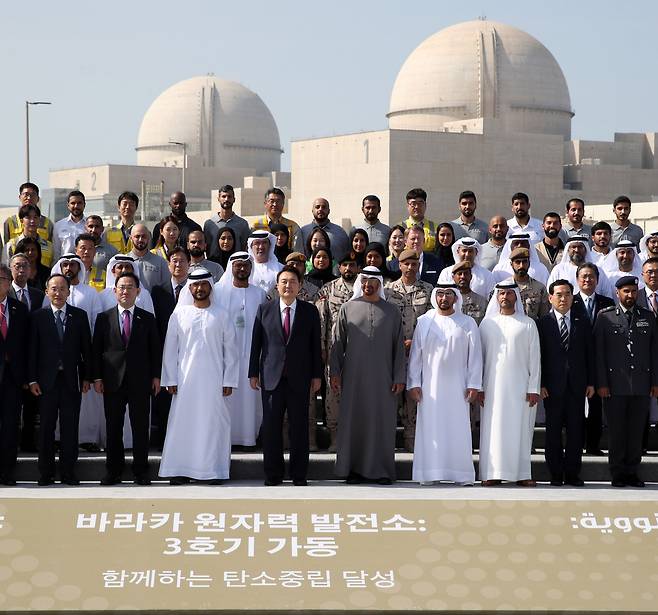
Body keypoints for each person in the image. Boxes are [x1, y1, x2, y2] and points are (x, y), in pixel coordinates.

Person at [159, 269, 238, 484]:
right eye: (195, 285)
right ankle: (180, 470)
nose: (200, 288)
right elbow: (170, 350)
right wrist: (170, 379)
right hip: (185, 382)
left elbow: (231, 351)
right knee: (183, 424)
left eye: (204, 284)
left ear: (210, 287)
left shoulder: (222, 315)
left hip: (214, 382)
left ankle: (213, 471)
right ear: (189, 288)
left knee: (212, 424)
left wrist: (229, 380)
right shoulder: (179, 315)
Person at [330, 266, 406, 484]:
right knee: (354, 422)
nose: (368, 285)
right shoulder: (347, 308)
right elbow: (337, 344)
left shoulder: (392, 311)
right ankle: (352, 470)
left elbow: (399, 347)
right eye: (364, 281)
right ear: (360, 283)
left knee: (382, 423)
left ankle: (381, 470)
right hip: (353, 378)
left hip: (384, 379)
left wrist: (399, 376)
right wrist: (335, 372)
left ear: (380, 284)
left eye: (373, 281)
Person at [249, 265, 322, 486]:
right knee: (271, 428)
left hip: (300, 378)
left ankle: (299, 475)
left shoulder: (310, 311)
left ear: (300, 286)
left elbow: (315, 347)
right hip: (271, 377)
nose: (288, 285)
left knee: (299, 427)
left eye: (292, 281)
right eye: (284, 281)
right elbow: (256, 344)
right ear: (277, 285)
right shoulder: (265, 309)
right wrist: (253, 373)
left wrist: (317, 375)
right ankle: (273, 474)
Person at [408, 283, 482, 485]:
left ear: (456, 298)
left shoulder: (467, 323)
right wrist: (414, 383)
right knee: (431, 429)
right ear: (435, 297)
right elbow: (416, 355)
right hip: (429, 388)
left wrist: (474, 384)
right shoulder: (424, 321)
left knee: (458, 429)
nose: (444, 298)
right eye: (440, 294)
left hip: (459, 388)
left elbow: (475, 357)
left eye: (448, 294)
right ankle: (429, 473)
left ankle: (461, 474)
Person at [92, 272, 161, 485]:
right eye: (121, 287)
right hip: (112, 380)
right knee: (114, 427)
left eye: (130, 287)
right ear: (114, 291)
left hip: (140, 381)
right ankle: (113, 470)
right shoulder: (104, 318)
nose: (125, 291)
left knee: (140, 427)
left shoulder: (147, 318)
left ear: (137, 292)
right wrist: (96, 378)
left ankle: (141, 470)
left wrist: (156, 376)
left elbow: (155, 349)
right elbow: (96, 350)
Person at [594, 276, 658, 487]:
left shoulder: (648, 317)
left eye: (633, 291)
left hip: (641, 383)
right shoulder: (605, 317)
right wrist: (601, 383)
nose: (630, 295)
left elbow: (654, 352)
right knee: (617, 431)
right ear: (617, 293)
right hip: (614, 385)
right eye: (626, 292)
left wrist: (655, 382)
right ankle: (618, 473)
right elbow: (599, 354)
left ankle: (632, 471)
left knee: (636, 430)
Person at [29, 274, 92, 486]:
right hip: (45, 383)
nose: (58, 293)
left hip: (71, 381)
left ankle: (68, 472)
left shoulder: (79, 316)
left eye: (62, 289)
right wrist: (32, 380)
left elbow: (87, 351)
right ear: (47, 292)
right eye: (53, 289)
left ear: (68, 291)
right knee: (46, 428)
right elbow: (32, 352)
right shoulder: (38, 317)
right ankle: (45, 473)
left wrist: (87, 377)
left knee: (69, 428)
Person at [478, 280, 541, 486]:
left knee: (520, 430)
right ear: (497, 297)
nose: (505, 297)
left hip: (521, 388)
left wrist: (533, 388)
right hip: (492, 387)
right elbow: (479, 359)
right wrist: (479, 387)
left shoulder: (528, 323)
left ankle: (522, 474)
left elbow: (535, 359)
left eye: (509, 293)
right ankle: (492, 473)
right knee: (493, 430)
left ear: (516, 296)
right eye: (501, 293)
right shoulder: (487, 324)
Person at [538, 279, 594, 486]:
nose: (563, 298)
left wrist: (591, 382)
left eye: (568, 294)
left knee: (576, 431)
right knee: (552, 432)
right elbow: (539, 357)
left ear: (573, 296)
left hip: (577, 386)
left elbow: (590, 354)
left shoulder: (583, 321)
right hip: (552, 388)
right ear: (550, 298)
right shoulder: (542, 323)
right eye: (559, 295)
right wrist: (541, 383)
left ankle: (572, 473)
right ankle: (555, 473)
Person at [215, 253, 267, 447]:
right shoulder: (218, 291)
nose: (242, 269)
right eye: (238, 265)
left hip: (251, 358)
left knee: (250, 402)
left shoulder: (259, 293)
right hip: (225, 357)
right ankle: (226, 440)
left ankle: (248, 439)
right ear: (231, 268)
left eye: (246, 265)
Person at [384, 249, 433, 451]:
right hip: (393, 354)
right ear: (399, 265)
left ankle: (412, 443)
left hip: (419, 353)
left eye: (414, 264)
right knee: (391, 398)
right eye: (407, 264)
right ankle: (386, 443)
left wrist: (415, 341)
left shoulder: (428, 289)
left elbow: (432, 321)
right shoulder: (388, 291)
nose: (411, 268)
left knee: (414, 399)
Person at [316, 251, 360, 451]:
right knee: (333, 396)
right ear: (339, 267)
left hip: (360, 352)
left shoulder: (365, 287)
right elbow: (322, 321)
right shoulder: (328, 289)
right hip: (335, 351)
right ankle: (335, 438)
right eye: (345, 265)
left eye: (352, 265)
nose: (348, 269)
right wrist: (323, 347)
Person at [571, 262, 614, 456]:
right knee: (576, 405)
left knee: (596, 405)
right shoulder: (569, 301)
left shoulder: (607, 303)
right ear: (578, 280)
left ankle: (593, 445)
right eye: (584, 276)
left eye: (591, 276)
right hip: (575, 363)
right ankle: (576, 443)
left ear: (597, 280)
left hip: (599, 361)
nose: (587, 280)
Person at [150, 247, 190, 449]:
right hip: (164, 350)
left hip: (190, 353)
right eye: (174, 260)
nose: (178, 264)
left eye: (182, 261)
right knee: (165, 396)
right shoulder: (158, 291)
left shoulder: (197, 289)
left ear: (189, 264)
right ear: (168, 264)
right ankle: (164, 439)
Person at [9, 253, 44, 451]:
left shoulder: (39, 294)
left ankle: (29, 442)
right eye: (17, 266)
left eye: (25, 266)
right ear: (10, 269)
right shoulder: (4, 293)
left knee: (32, 405)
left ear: (31, 270)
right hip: (11, 358)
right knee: (12, 405)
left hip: (33, 357)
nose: (21, 270)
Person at [0, 263, 30, 485]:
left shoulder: (19, 308)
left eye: (2, 278)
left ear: (9, 282)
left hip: (13, 378)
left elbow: (27, 345)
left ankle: (7, 471)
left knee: (11, 426)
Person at [548, 235, 614, 298]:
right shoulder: (559, 270)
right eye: (573, 247)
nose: (577, 250)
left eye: (580, 247)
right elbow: (550, 292)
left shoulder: (597, 270)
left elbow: (606, 293)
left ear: (586, 250)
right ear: (568, 250)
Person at [204, 184, 251, 257]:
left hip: (235, 265)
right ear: (218, 199)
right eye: (223, 196)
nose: (226, 199)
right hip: (214, 265)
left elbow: (245, 247)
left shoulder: (242, 224)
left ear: (234, 199)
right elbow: (206, 248)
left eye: (229, 196)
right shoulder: (209, 224)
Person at [251, 188, 303, 252]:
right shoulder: (256, 226)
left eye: (278, 201)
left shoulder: (293, 226)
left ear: (283, 204)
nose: (275, 204)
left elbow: (297, 251)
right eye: (272, 201)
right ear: (265, 203)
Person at [508, 248, 550, 322]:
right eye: (517, 262)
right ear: (511, 264)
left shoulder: (539, 288)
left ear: (529, 263)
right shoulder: (505, 287)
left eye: (524, 262)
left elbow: (544, 317)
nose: (521, 266)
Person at [127, 224, 170, 292]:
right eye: (137, 236)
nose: (140, 239)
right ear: (131, 238)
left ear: (149, 237)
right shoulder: (124, 262)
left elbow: (167, 290)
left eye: (144, 236)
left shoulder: (161, 262)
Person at [53, 190, 87, 260]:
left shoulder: (90, 225)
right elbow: (56, 252)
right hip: (65, 266)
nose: (76, 206)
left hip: (85, 267)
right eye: (73, 203)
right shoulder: (58, 226)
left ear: (84, 205)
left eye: (79, 203)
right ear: (68, 205)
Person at [452, 261, 487, 325]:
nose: (462, 277)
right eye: (459, 274)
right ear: (453, 277)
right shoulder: (449, 301)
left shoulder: (481, 301)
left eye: (466, 273)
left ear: (471, 276)